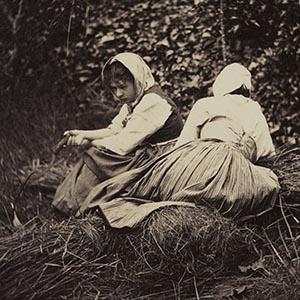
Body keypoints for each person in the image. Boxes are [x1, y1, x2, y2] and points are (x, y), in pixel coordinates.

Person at [78, 63, 280, 228]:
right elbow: (267, 153)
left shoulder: (206, 104)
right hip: (238, 165)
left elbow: (185, 143)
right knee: (265, 184)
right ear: (247, 90)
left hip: (204, 155)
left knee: (149, 185)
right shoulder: (255, 109)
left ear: (221, 87)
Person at [52, 52, 184, 215]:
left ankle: (73, 207)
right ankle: (69, 205)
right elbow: (114, 130)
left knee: (97, 155)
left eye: (123, 87)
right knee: (97, 154)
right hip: (144, 152)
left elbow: (122, 145)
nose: (118, 94)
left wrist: (87, 142)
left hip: (162, 159)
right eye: (114, 89)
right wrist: (83, 133)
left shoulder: (153, 102)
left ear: (137, 80)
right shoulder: (134, 101)